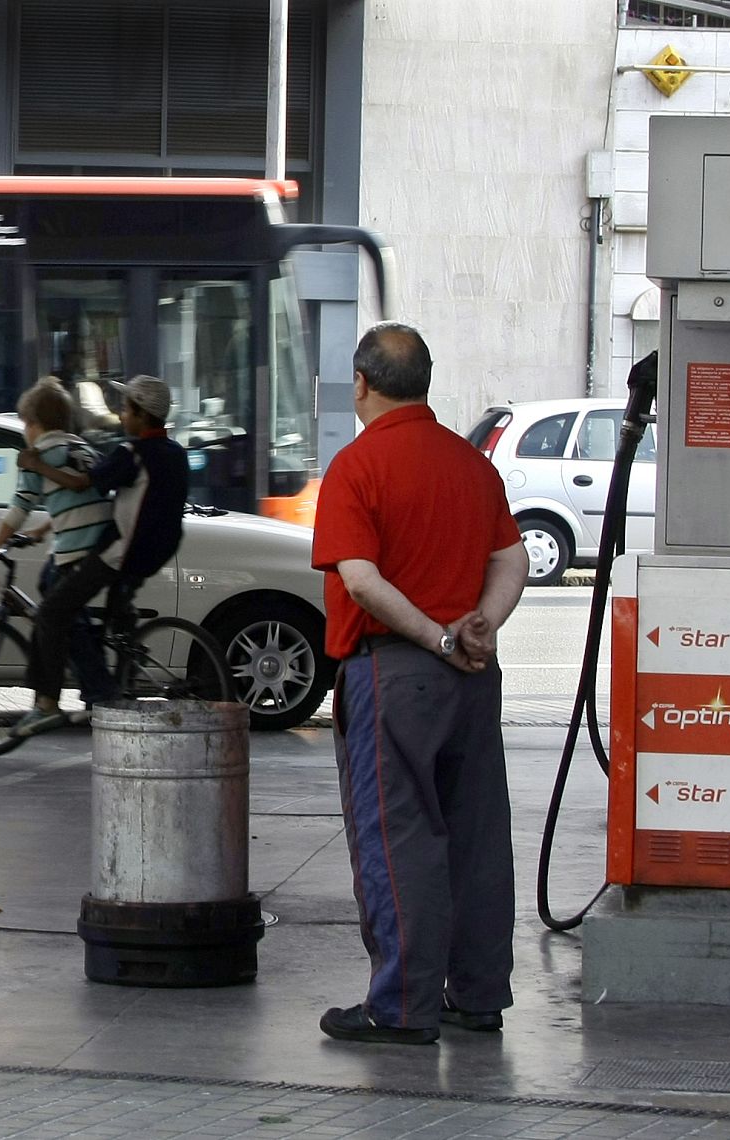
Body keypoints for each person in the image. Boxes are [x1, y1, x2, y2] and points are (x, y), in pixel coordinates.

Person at [310, 322, 528, 1045]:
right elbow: (511, 558)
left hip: (394, 674)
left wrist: (435, 636)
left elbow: (362, 581)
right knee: (475, 836)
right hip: (473, 675)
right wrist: (480, 626)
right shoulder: (473, 466)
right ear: (425, 382)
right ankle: (477, 996)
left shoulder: (357, 466)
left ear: (361, 384)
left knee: (399, 837)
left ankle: (401, 1005)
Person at [14, 375, 189, 736]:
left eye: (126, 409)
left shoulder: (132, 454)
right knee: (97, 617)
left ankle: (53, 702)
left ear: (141, 415)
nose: (121, 416)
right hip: (157, 551)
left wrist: (37, 465)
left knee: (53, 611)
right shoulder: (176, 453)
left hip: (122, 552)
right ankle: (108, 683)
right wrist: (47, 528)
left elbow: (83, 484)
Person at [0, 379, 115, 734]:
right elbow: (77, 499)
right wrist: (42, 531)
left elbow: (18, 508)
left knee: (54, 617)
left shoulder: (38, 457)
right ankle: (92, 687)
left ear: (34, 424)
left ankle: (76, 698)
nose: (24, 431)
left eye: (24, 423)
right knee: (49, 586)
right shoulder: (81, 448)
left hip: (79, 552)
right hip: (99, 546)